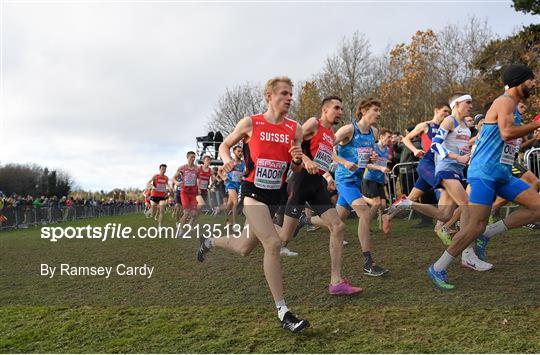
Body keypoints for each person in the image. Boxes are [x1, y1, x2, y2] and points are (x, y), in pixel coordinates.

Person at [197, 76, 309, 332]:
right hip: (253, 194)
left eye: (291, 94)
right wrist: (226, 160)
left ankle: (208, 241)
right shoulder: (251, 123)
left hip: (276, 195)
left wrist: (297, 160)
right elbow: (225, 145)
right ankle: (284, 312)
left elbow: (296, 165)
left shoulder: (295, 129)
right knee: (273, 243)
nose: (289, 98)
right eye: (283, 93)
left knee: (244, 247)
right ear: (269, 96)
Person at [428, 64, 540, 290]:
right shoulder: (504, 101)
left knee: (537, 207)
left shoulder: (514, 108)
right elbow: (506, 132)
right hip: (484, 173)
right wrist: (536, 124)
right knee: (474, 225)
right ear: (521, 80)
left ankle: (488, 234)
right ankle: (438, 267)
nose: (535, 84)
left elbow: (508, 139)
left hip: (503, 174)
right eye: (532, 79)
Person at [279, 96, 362, 294]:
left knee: (338, 226)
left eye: (342, 108)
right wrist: (305, 160)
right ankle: (257, 230)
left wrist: (328, 172)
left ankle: (336, 283)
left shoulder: (329, 133)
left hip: (316, 183)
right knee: (283, 237)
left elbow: (326, 155)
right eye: (337, 108)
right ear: (325, 110)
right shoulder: (313, 123)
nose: (340, 112)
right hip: (300, 183)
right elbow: (293, 141)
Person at [332, 98, 389, 277]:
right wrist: (344, 162)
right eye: (375, 110)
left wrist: (372, 159)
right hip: (344, 180)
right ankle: (368, 263)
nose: (378, 114)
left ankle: (306, 220)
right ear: (363, 111)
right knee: (364, 213)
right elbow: (325, 148)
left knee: (335, 220)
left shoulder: (373, 131)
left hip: (357, 180)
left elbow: (367, 156)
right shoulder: (349, 129)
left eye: (379, 110)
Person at [173, 152, 200, 228]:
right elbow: (173, 178)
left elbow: (198, 179)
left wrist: (199, 188)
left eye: (194, 157)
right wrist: (176, 182)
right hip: (184, 192)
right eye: (191, 157)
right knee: (186, 212)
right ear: (187, 157)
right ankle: (180, 229)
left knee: (194, 213)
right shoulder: (182, 168)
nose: (193, 159)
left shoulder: (197, 168)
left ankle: (183, 222)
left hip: (193, 193)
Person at [221, 145, 245, 225]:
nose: (240, 153)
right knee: (236, 202)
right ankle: (235, 223)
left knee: (229, 205)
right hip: (230, 184)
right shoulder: (230, 162)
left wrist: (243, 176)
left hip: (237, 185)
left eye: (241, 152)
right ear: (234, 152)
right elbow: (219, 170)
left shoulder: (243, 163)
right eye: (238, 151)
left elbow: (244, 173)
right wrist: (223, 177)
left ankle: (226, 220)